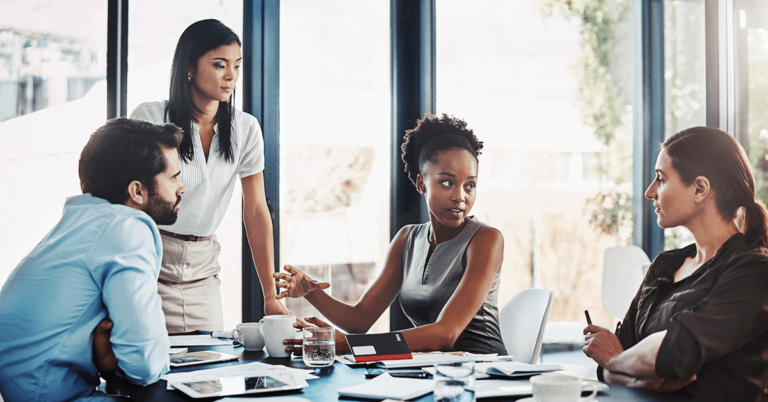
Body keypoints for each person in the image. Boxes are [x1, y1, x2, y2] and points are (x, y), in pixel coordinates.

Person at [273, 113, 507, 355]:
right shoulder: (407, 239)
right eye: (447, 183)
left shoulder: (486, 240)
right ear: (421, 183)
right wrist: (311, 291)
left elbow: (445, 334)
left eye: (470, 185)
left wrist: (353, 346)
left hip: (483, 375)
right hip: (430, 371)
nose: (460, 196)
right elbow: (359, 320)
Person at [0, 118, 186, 401]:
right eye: (173, 177)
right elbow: (145, 364)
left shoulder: (80, 222)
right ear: (137, 191)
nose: (182, 187)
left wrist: (110, 365)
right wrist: (115, 364)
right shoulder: (127, 227)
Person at [582, 126, 768, 401]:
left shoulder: (755, 271)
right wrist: (624, 368)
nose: (649, 192)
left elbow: (674, 351)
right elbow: (627, 350)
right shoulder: (665, 265)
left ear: (700, 189)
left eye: (661, 179)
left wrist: (611, 362)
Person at [130, 19, 290, 333]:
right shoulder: (149, 118)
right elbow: (125, 201)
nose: (231, 76)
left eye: (237, 66)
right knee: (149, 374)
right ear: (189, 67)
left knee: (207, 374)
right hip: (148, 266)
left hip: (202, 273)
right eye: (219, 65)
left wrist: (270, 295)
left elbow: (256, 210)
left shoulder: (245, 129)